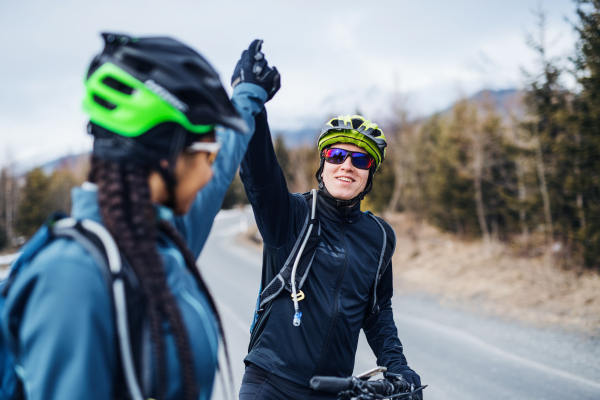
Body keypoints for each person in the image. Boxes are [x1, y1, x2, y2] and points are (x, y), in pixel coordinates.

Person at [0, 34, 279, 400]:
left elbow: (225, 158)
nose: (212, 173)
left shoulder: (158, 241)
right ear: (166, 157)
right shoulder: (73, 278)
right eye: (206, 155)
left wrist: (247, 94)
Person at [236, 101, 423, 396]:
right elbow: (259, 174)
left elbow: (376, 312)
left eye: (360, 161)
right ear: (323, 166)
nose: (347, 166)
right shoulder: (291, 215)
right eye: (336, 156)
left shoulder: (380, 236)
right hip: (271, 382)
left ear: (369, 175)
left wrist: (398, 366)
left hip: (336, 390)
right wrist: (253, 105)